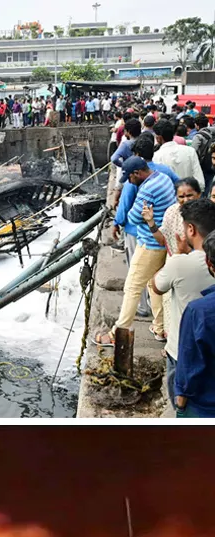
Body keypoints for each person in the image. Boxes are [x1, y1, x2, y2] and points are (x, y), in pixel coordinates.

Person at [101, 157, 175, 347]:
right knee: (154, 286)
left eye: (130, 178)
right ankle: (160, 328)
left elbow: (133, 217)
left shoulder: (148, 189)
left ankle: (119, 332)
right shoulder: (163, 178)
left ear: (137, 173)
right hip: (162, 242)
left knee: (133, 287)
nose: (129, 182)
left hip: (150, 245)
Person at [151, 198, 215, 409]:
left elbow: (156, 285)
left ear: (190, 228)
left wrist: (178, 255)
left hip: (183, 354)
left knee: (185, 410)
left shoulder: (180, 264)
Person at [174, 232, 215, 417]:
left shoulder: (198, 311)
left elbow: (188, 368)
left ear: (209, 264)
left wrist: (180, 407)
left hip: (205, 406)